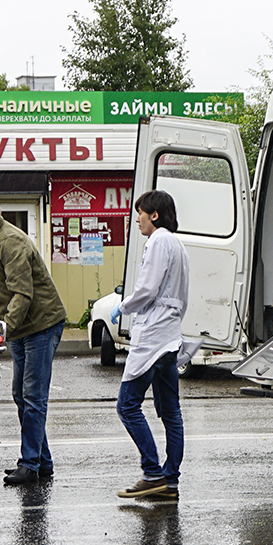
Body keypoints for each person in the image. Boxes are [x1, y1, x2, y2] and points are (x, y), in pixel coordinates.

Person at [0, 193, 66, 486]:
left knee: (33, 397)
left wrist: (3, 330)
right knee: (21, 396)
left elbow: (23, 294)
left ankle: (29, 464)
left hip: (40, 325)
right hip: (23, 328)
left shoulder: (10, 242)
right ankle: (42, 461)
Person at [115, 191, 190, 501]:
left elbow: (147, 288)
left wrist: (123, 306)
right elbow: (181, 297)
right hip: (170, 337)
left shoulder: (158, 240)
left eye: (140, 213)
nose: (137, 219)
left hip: (152, 338)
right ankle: (169, 481)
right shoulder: (178, 245)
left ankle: (152, 472)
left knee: (127, 405)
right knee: (170, 411)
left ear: (154, 215)